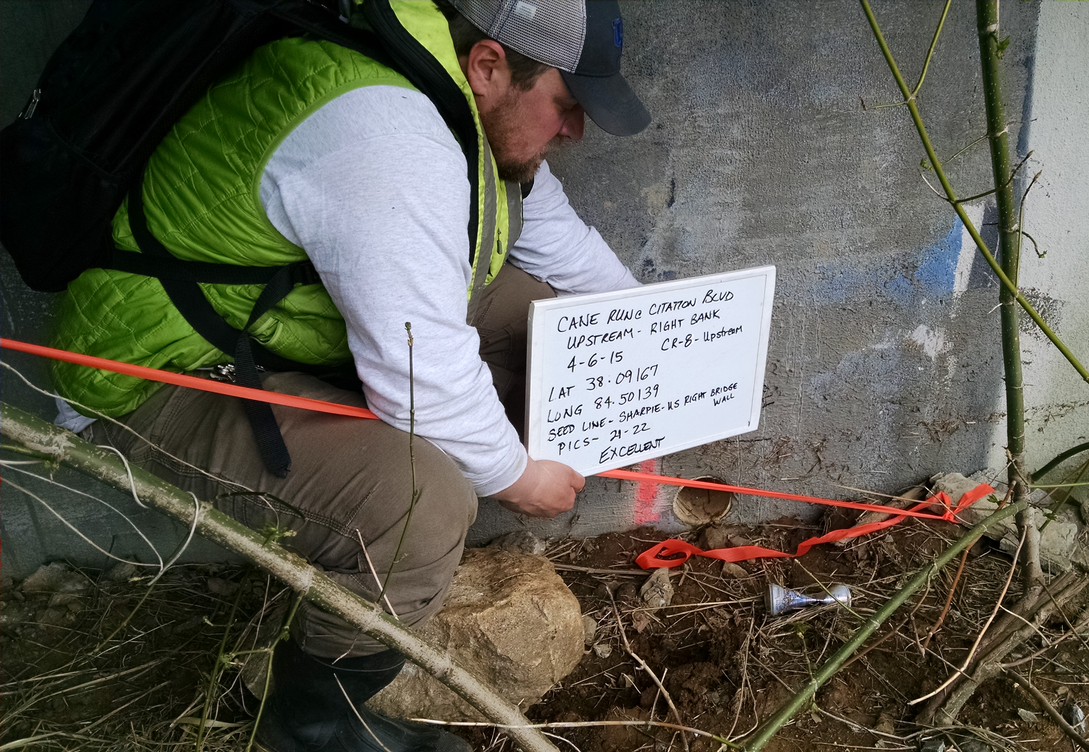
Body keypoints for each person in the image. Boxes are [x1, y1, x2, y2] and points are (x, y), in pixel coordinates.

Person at [47, 1, 650, 750]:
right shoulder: (385, 137)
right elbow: (423, 377)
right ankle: (308, 722)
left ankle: (377, 563)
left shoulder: (470, 115)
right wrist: (517, 478)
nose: (577, 131)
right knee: (419, 504)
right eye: (567, 105)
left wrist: (654, 359)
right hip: (162, 367)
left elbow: (572, 257)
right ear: (489, 66)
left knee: (536, 319)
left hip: (288, 317)